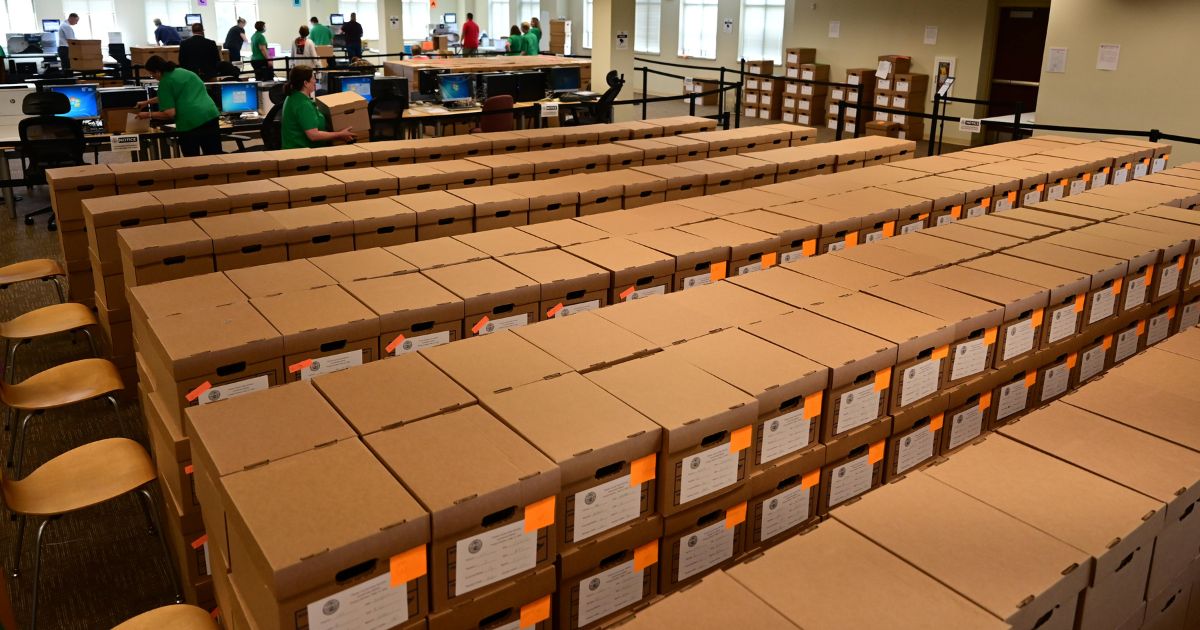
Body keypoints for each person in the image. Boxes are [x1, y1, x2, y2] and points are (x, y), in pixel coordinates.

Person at [135, 55, 222, 156]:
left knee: (193, 160)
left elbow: (169, 114)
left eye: (152, 74)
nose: (153, 77)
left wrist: (147, 115)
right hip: (210, 115)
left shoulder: (165, 82)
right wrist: (146, 102)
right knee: (215, 156)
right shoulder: (184, 72)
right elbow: (171, 95)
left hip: (190, 122)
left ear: (157, 71)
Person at [281, 64, 355, 149]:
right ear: (305, 83)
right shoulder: (303, 104)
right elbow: (313, 135)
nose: (315, 81)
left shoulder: (293, 96)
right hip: (303, 153)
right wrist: (339, 134)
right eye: (313, 78)